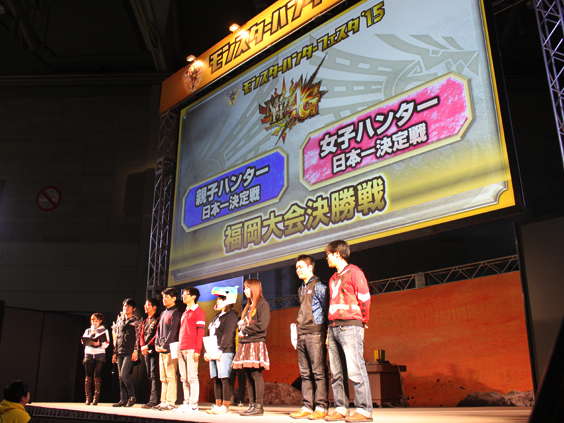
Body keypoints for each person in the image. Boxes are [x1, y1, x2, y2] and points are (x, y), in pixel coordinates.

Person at [324, 240, 372, 422]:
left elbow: (365, 299)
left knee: (355, 369)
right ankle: (341, 408)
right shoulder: (333, 278)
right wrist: (329, 330)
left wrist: (362, 321)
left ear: (337, 254)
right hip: (333, 327)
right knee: (336, 372)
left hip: (351, 326)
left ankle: (364, 410)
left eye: (328, 254)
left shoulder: (355, 272)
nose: (326, 258)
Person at [289, 255, 329, 420]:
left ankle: (321, 407)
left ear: (310, 267)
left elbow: (326, 309)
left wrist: (327, 333)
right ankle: (307, 406)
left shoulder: (319, 286)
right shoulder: (301, 288)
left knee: (318, 372)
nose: (297, 270)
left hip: (316, 333)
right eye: (296, 268)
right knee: (305, 373)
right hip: (302, 334)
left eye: (301, 267)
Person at [232, 278, 270, 417]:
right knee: (248, 375)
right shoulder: (248, 306)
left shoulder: (262, 304)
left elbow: (262, 325)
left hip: (255, 342)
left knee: (255, 374)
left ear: (255, 288)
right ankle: (252, 405)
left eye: (247, 288)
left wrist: (246, 329)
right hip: (246, 343)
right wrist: (242, 324)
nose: (245, 291)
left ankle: (259, 406)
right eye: (244, 288)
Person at [204, 286, 238, 415]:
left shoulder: (232, 315)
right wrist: (207, 351)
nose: (217, 301)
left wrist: (221, 349)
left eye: (221, 298)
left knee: (225, 378)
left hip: (225, 351)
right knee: (216, 378)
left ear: (228, 300)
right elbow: (209, 334)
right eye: (217, 298)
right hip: (213, 351)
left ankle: (226, 406)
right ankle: (218, 404)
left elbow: (228, 334)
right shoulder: (217, 316)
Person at [174, 287, 205, 413]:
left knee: (192, 377)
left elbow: (201, 332)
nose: (183, 296)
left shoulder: (199, 312)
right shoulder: (185, 312)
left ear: (193, 297)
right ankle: (186, 402)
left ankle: (193, 404)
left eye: (186, 294)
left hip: (192, 349)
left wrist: (198, 350)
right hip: (181, 348)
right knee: (184, 378)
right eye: (183, 294)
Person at [153, 287, 181, 411]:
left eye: (167, 297)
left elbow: (173, 332)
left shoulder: (175, 313)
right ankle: (163, 401)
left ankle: (170, 402)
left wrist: (165, 346)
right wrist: (156, 344)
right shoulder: (163, 313)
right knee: (162, 378)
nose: (164, 299)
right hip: (161, 349)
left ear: (174, 298)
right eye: (163, 297)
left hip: (170, 349)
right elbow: (158, 331)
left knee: (170, 376)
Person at [112, 298, 141, 407]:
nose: (126, 307)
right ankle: (123, 399)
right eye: (125, 306)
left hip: (130, 351)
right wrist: (115, 352)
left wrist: (136, 350)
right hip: (120, 351)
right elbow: (117, 337)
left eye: (128, 306)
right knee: (120, 377)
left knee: (124, 375)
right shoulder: (120, 320)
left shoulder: (136, 321)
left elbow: (138, 337)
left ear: (133, 309)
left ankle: (132, 396)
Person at [81, 312, 110, 406]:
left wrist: (99, 344)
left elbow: (107, 343)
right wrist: (92, 334)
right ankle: (88, 397)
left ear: (100, 321)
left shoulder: (104, 330)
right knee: (88, 376)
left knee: (97, 375)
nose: (94, 323)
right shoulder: (88, 330)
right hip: (89, 353)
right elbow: (83, 341)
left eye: (96, 321)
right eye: (93, 321)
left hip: (99, 354)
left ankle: (96, 398)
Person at [140, 298, 160, 409]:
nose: (145, 306)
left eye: (148, 305)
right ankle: (151, 399)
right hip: (146, 351)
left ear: (154, 307)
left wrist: (148, 345)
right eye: (145, 305)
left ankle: (154, 400)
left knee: (154, 375)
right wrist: (142, 346)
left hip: (154, 350)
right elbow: (141, 335)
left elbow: (157, 334)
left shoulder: (158, 318)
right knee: (149, 375)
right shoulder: (145, 320)